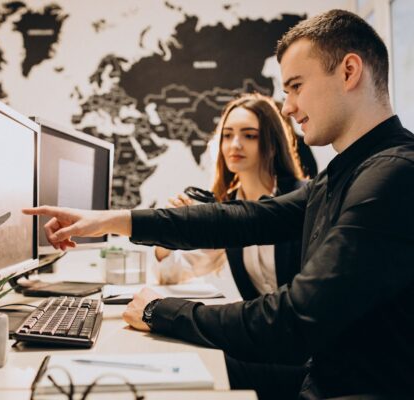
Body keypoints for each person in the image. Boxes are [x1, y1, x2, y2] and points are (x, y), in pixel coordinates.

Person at [24, 9, 414, 399]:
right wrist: (110, 220)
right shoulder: (346, 173)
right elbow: (242, 219)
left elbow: (295, 319)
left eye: (296, 86)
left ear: (349, 72)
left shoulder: (393, 177)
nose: (289, 107)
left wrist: (161, 311)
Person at [154, 93, 306, 305]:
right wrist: (167, 234)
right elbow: (172, 275)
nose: (235, 144)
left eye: (249, 135)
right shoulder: (226, 209)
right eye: (227, 135)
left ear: (272, 145)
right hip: (257, 329)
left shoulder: (301, 200)